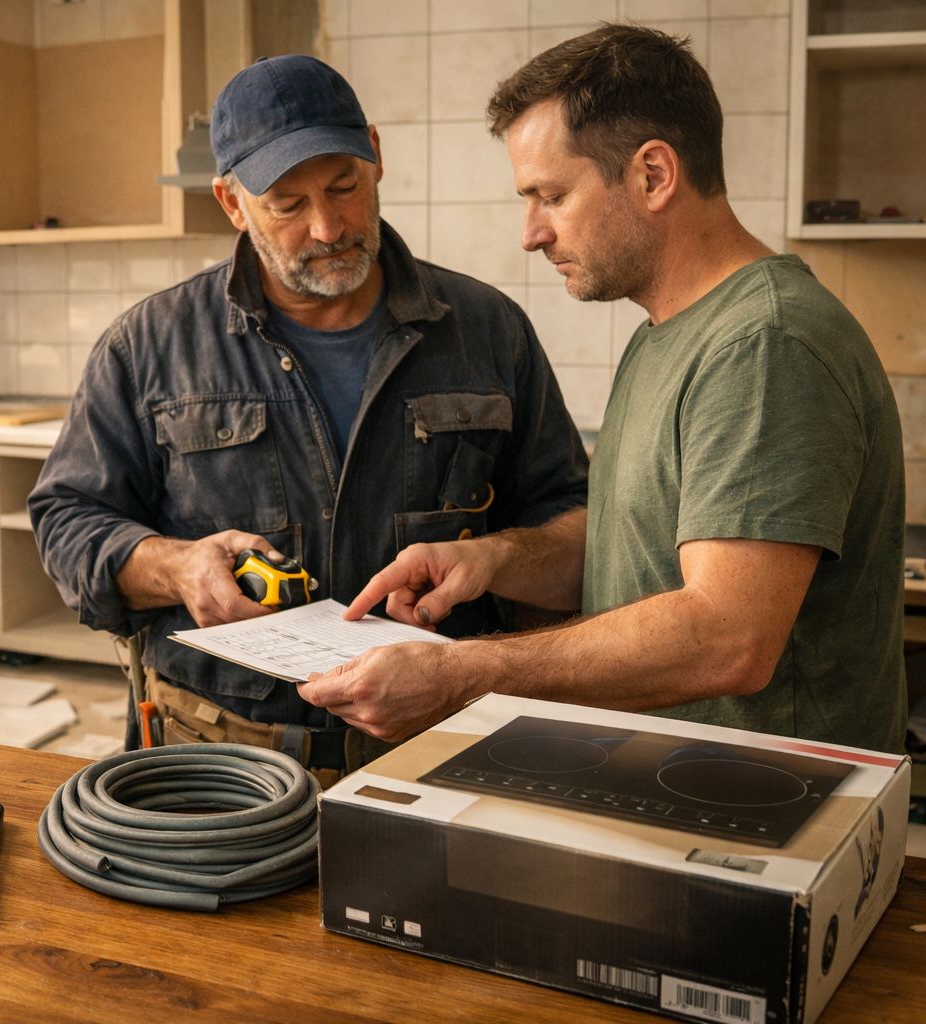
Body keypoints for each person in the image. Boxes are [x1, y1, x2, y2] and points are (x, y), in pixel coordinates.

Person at [300, 25, 907, 752]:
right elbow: (637, 560)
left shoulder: (765, 344)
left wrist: (465, 673)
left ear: (653, 174)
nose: (532, 233)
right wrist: (491, 561)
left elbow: (727, 637)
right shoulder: (665, 335)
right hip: (677, 791)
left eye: (550, 195)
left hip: (765, 819)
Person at [29, 55, 589, 776]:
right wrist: (177, 569)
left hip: (436, 754)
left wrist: (496, 560)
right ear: (232, 204)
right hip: (215, 760)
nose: (328, 227)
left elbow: (573, 528)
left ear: (376, 156)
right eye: (287, 206)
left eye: (344, 186)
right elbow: (68, 522)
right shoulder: (148, 346)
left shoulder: (487, 331)